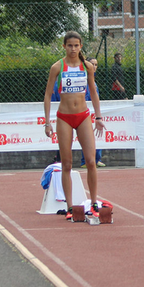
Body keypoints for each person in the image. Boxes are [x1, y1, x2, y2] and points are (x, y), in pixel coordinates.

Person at [43, 31, 105, 220]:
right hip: (64, 118)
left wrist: (98, 116)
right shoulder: (57, 67)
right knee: (67, 164)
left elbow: (93, 92)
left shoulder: (87, 66)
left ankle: (93, 202)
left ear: (81, 46)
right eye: (69, 45)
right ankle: (70, 206)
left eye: (76, 45)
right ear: (64, 46)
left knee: (91, 161)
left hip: (84, 116)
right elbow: (47, 95)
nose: (73, 49)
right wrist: (47, 122)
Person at [81, 57, 105, 168]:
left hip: (93, 112)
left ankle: (97, 158)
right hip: (84, 111)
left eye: (96, 65)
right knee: (85, 135)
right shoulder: (83, 79)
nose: (94, 67)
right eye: (92, 64)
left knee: (96, 133)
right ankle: (84, 160)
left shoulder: (94, 82)